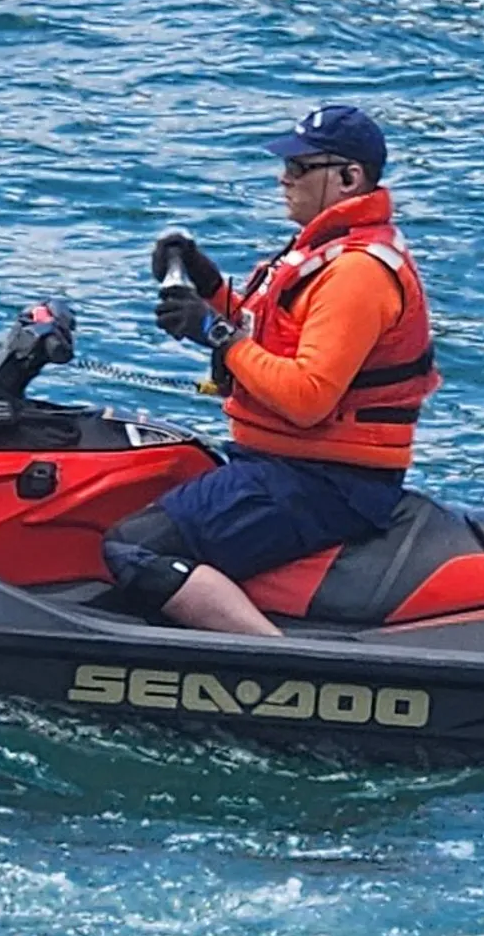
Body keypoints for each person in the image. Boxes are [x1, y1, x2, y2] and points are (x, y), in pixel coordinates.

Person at [102, 102, 438, 637]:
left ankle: (273, 659)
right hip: (289, 465)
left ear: (349, 178)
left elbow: (307, 396)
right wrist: (210, 287)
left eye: (301, 168)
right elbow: (271, 337)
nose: (285, 178)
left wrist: (213, 332)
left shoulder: (357, 274)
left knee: (135, 545)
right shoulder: (328, 251)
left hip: (324, 482)